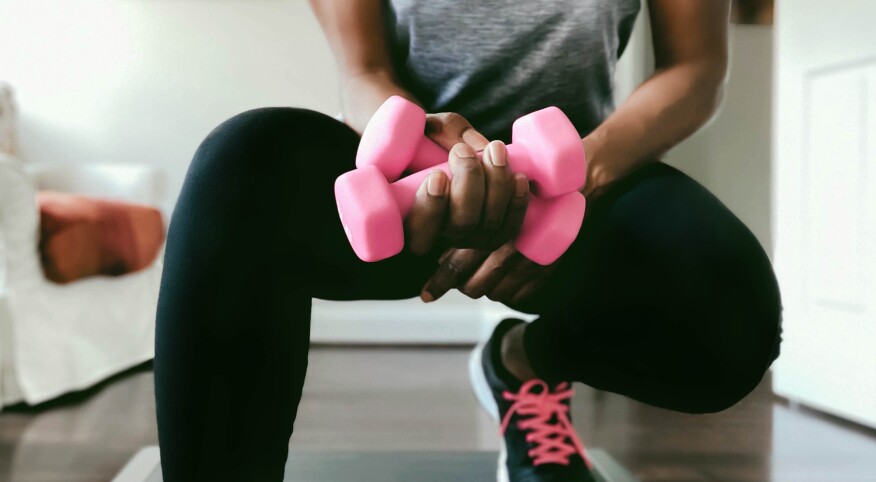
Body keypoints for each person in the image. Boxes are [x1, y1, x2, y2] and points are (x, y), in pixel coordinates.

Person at [154, 1, 782, 481]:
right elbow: (363, 71)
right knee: (242, 165)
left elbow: (695, 67)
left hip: (580, 181)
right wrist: (440, 163)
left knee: (730, 314)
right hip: (415, 176)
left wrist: (580, 177)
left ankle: (523, 364)